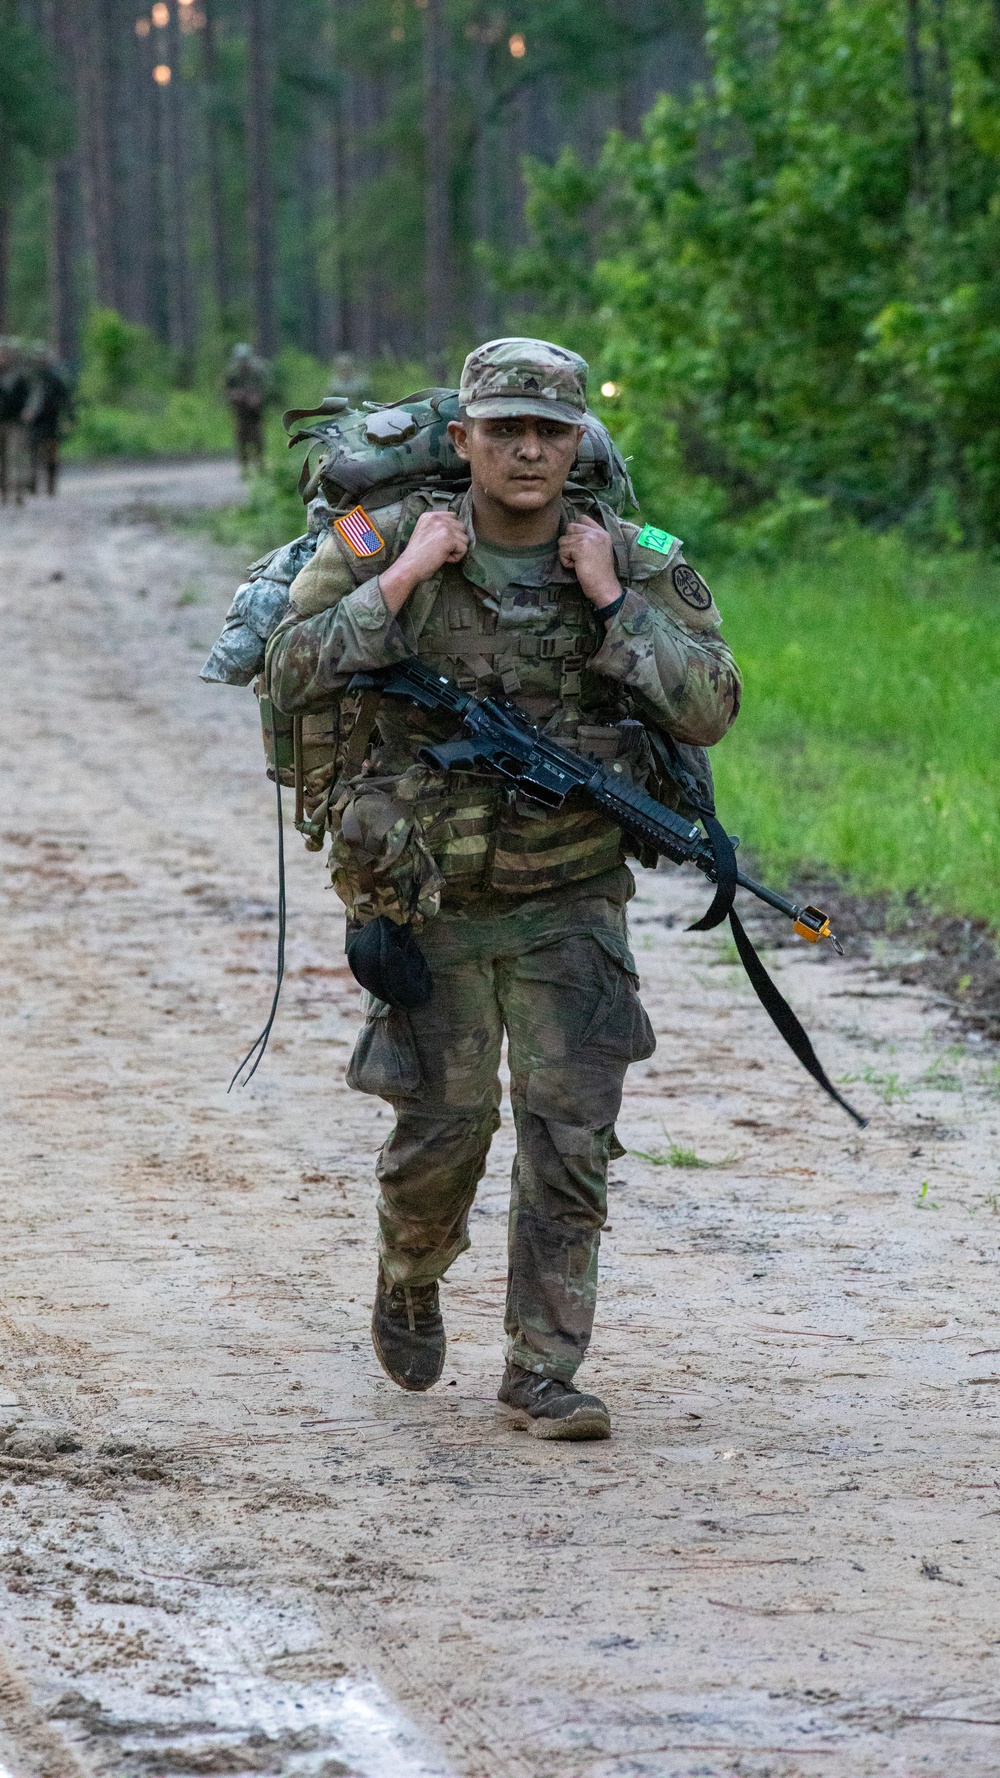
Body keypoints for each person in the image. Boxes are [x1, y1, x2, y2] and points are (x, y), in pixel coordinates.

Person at [263, 338, 742, 1440]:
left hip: (572, 896)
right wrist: (400, 578)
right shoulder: (384, 539)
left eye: (550, 430)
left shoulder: (628, 555)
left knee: (571, 1137)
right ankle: (410, 1271)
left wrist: (614, 600)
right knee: (445, 1133)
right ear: (466, 435)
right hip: (426, 900)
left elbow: (710, 704)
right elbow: (290, 670)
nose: (529, 448)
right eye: (506, 428)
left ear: (576, 444)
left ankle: (542, 1368)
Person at [22, 344, 74, 497]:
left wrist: (70, 418)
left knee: (52, 457)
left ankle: (51, 486)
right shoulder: (29, 380)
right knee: (33, 456)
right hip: (34, 424)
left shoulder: (55, 381)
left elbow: (66, 400)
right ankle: (32, 485)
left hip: (51, 422)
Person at [224, 343, 271, 472]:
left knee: (257, 436)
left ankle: (260, 463)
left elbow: (267, 389)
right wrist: (236, 396)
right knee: (241, 436)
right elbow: (227, 391)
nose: (243, 364)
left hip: (256, 411)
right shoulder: (232, 373)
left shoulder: (258, 371)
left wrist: (258, 398)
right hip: (241, 410)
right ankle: (244, 465)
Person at [0, 338, 33, 505]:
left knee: (14, 457)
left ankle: (17, 491)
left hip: (15, 423)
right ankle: (4, 491)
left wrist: (28, 411)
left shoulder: (20, 375)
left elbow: (30, 396)